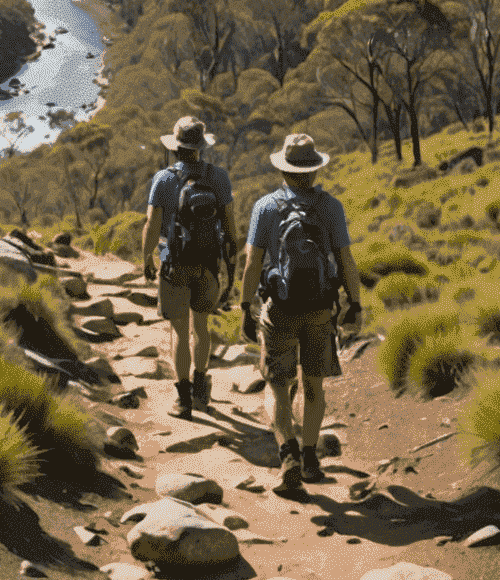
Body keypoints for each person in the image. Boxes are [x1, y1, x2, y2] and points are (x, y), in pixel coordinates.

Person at [239, 132, 363, 492]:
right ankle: (311, 458)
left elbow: (252, 263)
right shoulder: (331, 207)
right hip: (321, 308)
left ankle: (288, 454)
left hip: (280, 307)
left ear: (284, 169)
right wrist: (355, 304)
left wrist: (246, 307)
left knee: (278, 386)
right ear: (314, 169)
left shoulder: (266, 206)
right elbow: (345, 259)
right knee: (314, 385)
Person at [141, 115, 237, 421]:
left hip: (174, 264)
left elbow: (152, 224)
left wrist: (146, 258)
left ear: (175, 147)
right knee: (202, 327)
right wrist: (230, 266)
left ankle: (183, 401)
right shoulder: (219, 178)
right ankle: (200, 390)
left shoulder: (164, 179)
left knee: (180, 333)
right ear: (201, 148)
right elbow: (230, 226)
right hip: (208, 264)